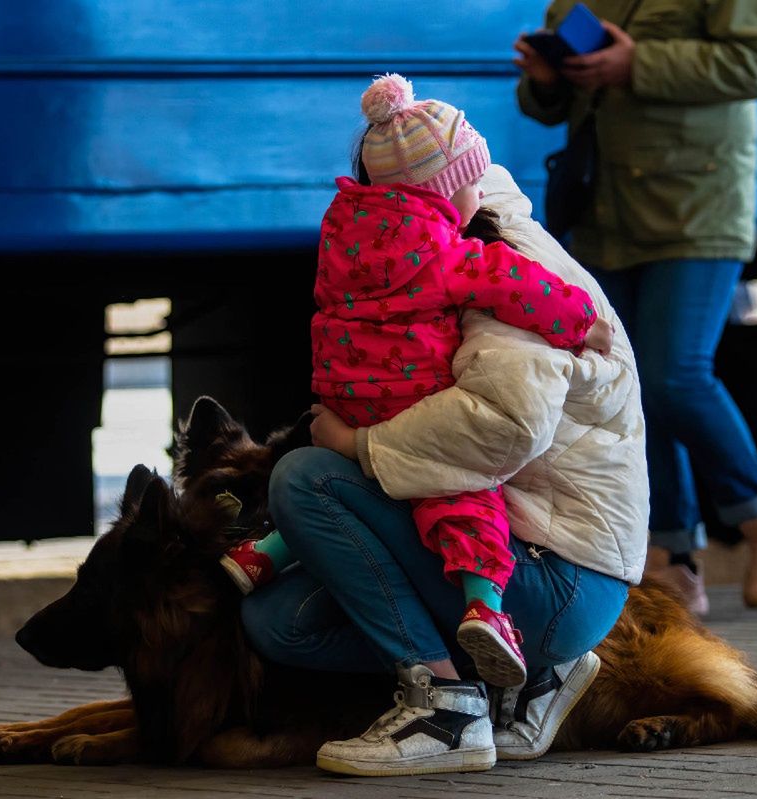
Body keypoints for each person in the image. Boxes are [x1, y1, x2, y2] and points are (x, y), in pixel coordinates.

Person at [237, 149, 648, 776]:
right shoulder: (453, 245)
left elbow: (507, 428)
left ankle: (448, 710)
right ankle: (522, 675)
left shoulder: (502, 270)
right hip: (537, 549)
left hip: (560, 571)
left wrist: (356, 445)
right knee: (280, 622)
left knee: (305, 478)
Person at [220, 74, 611, 690]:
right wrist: (582, 320)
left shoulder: (342, 233)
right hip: (412, 398)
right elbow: (517, 290)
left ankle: (265, 555)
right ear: (447, 189)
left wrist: (354, 440)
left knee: (339, 488)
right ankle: (486, 611)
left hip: (347, 397)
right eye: (470, 180)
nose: (480, 191)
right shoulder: (449, 251)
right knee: (460, 495)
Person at [514, 0, 757, 615]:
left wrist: (638, 62)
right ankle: (673, 558)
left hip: (697, 204)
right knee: (628, 385)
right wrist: (547, 84)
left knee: (676, 374)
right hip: (606, 213)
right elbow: (558, 108)